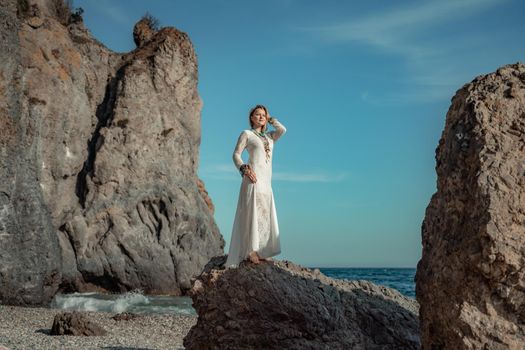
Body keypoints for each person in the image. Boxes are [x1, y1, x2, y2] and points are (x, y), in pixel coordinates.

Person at [225, 104, 287, 267]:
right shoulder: (247, 134)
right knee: (251, 214)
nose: (261, 117)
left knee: (264, 214)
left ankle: (261, 250)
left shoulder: (270, 136)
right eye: (257, 114)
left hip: (267, 182)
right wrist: (244, 168)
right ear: (251, 118)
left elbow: (283, 130)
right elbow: (236, 154)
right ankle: (250, 251)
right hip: (252, 179)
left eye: (263, 115)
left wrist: (271, 119)